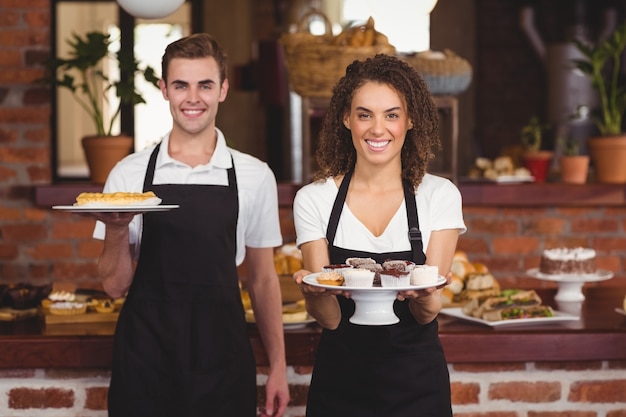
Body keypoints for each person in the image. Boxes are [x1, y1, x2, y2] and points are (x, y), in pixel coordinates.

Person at [88, 33, 289, 417]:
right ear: (164, 89)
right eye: (181, 85)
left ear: (223, 90)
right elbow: (114, 287)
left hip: (223, 362)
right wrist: (116, 229)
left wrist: (277, 367)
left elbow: (262, 279)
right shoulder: (128, 174)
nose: (192, 98)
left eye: (205, 85)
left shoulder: (254, 176)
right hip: (145, 359)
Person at [292, 54, 466, 417]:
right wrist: (313, 292)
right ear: (345, 118)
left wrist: (423, 295)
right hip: (340, 381)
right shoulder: (315, 199)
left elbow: (427, 313)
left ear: (410, 119)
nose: (377, 129)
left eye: (392, 114)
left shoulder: (439, 195)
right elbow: (330, 319)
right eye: (364, 114)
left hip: (416, 382)